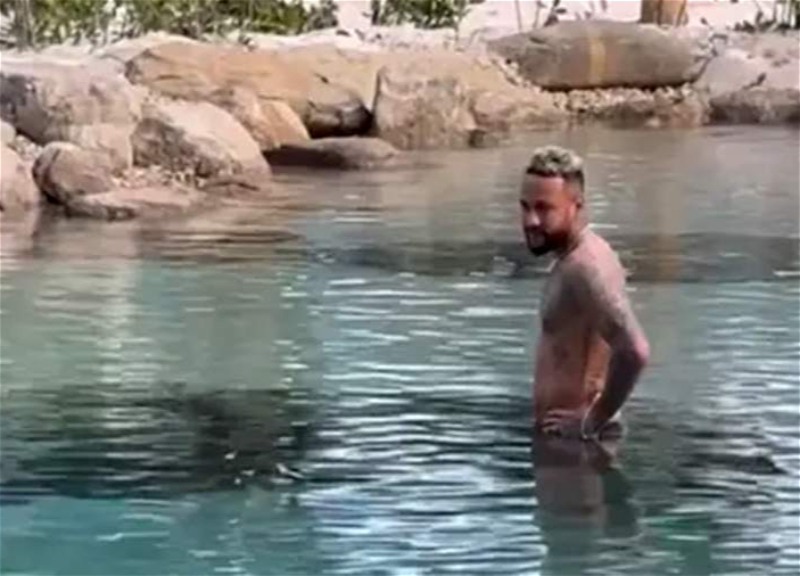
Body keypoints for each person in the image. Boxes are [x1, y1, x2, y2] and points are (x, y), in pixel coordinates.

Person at [520, 145, 650, 440]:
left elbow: (635, 351)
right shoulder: (572, 261)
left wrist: (591, 422)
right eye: (525, 207)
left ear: (576, 205)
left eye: (543, 208)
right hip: (566, 441)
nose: (530, 220)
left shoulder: (586, 267)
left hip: (577, 447)